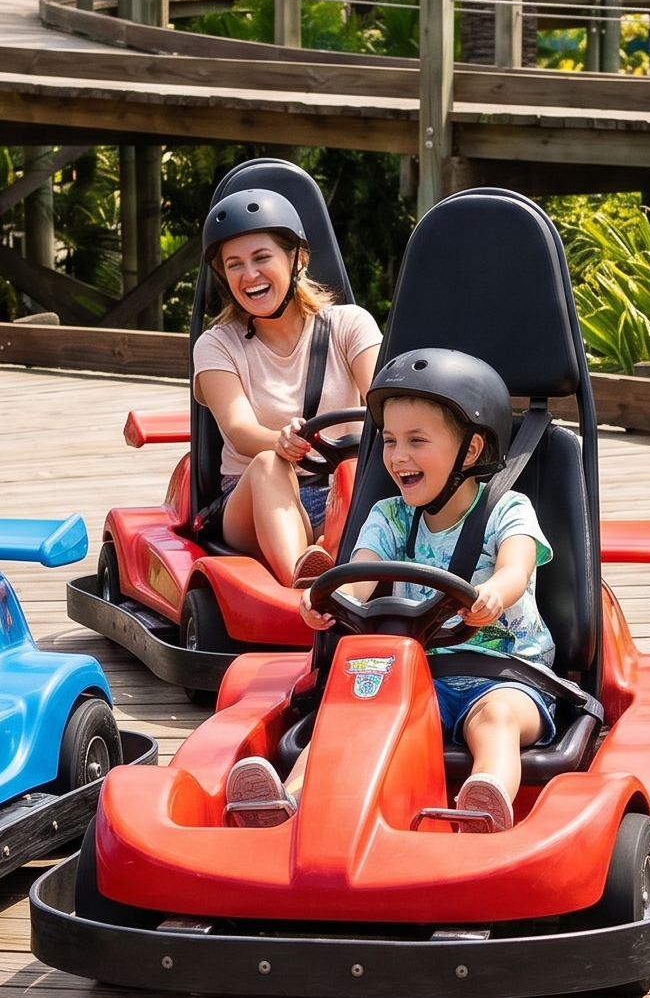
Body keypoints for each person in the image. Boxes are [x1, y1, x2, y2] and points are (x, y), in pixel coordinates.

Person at [222, 349, 553, 834]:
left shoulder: (508, 510)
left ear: (472, 451)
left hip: (507, 673)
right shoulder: (390, 516)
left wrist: (494, 595)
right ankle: (287, 800)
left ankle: (486, 803)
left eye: (417, 441)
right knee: (352, 712)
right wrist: (329, 601)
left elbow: (516, 568)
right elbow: (358, 575)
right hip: (420, 674)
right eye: (391, 440)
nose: (397, 456)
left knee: (496, 720)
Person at [190, 186, 381, 585]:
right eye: (234, 264)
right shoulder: (216, 345)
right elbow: (239, 431)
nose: (250, 275)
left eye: (262, 258)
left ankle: (339, 560)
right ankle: (305, 576)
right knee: (267, 464)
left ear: (298, 258)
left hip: (342, 494)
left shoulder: (349, 326)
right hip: (254, 500)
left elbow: (386, 403)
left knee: (362, 472)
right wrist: (279, 442)